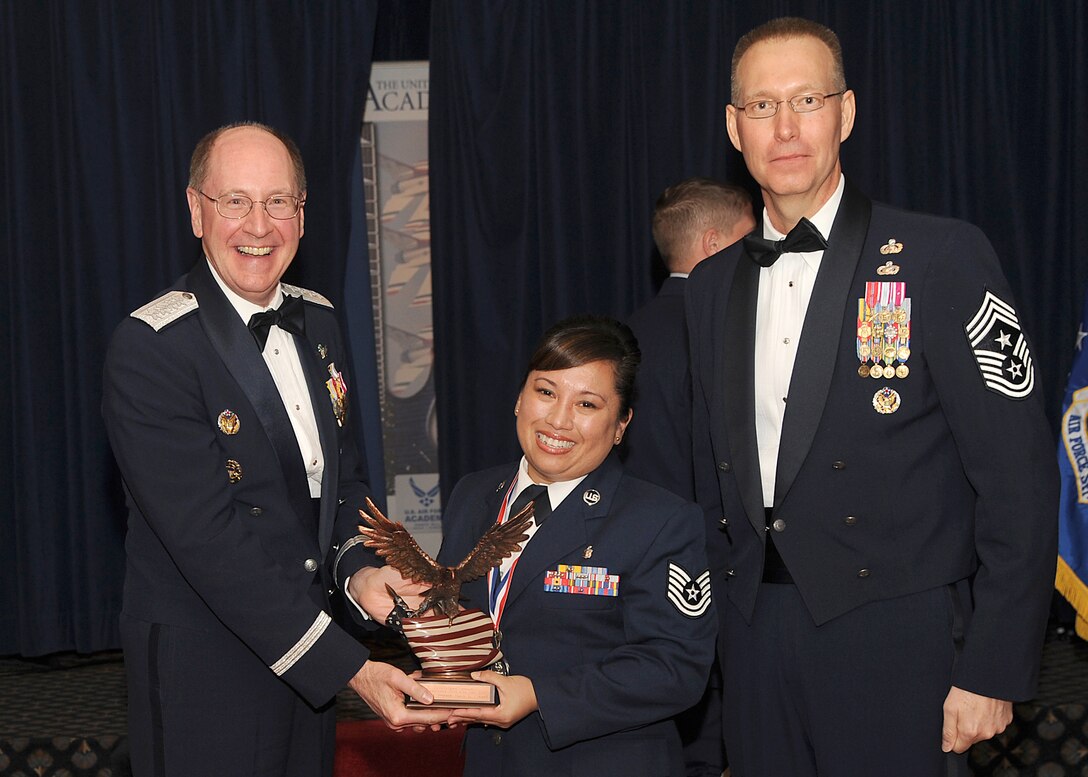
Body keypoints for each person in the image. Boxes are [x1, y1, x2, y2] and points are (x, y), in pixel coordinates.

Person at [685, 18, 1058, 777]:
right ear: (734, 127)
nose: (785, 127)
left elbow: (1018, 478)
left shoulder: (940, 256)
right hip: (755, 641)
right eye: (762, 107)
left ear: (846, 113)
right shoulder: (711, 286)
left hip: (900, 637)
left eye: (807, 100)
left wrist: (991, 664)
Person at [102, 122, 446, 777]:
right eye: (235, 200)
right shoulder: (152, 348)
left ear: (303, 214)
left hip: (302, 667)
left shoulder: (318, 319)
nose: (259, 224)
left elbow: (343, 483)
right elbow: (211, 543)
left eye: (279, 201)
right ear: (196, 210)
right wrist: (347, 665)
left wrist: (359, 572)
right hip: (208, 674)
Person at [435, 315, 717, 776]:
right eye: (545, 392)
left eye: (587, 404)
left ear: (622, 424)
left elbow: (676, 668)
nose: (558, 419)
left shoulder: (660, 520)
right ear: (519, 397)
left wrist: (539, 695)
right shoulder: (473, 495)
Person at [623, 177, 753, 777]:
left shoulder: (619, 341)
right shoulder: (735, 334)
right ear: (712, 244)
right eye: (749, 240)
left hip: (638, 571)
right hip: (729, 568)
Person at [625, 177, 755, 501]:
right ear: (713, 245)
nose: (761, 254)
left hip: (628, 531)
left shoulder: (620, 334)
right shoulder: (726, 334)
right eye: (750, 240)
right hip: (706, 538)